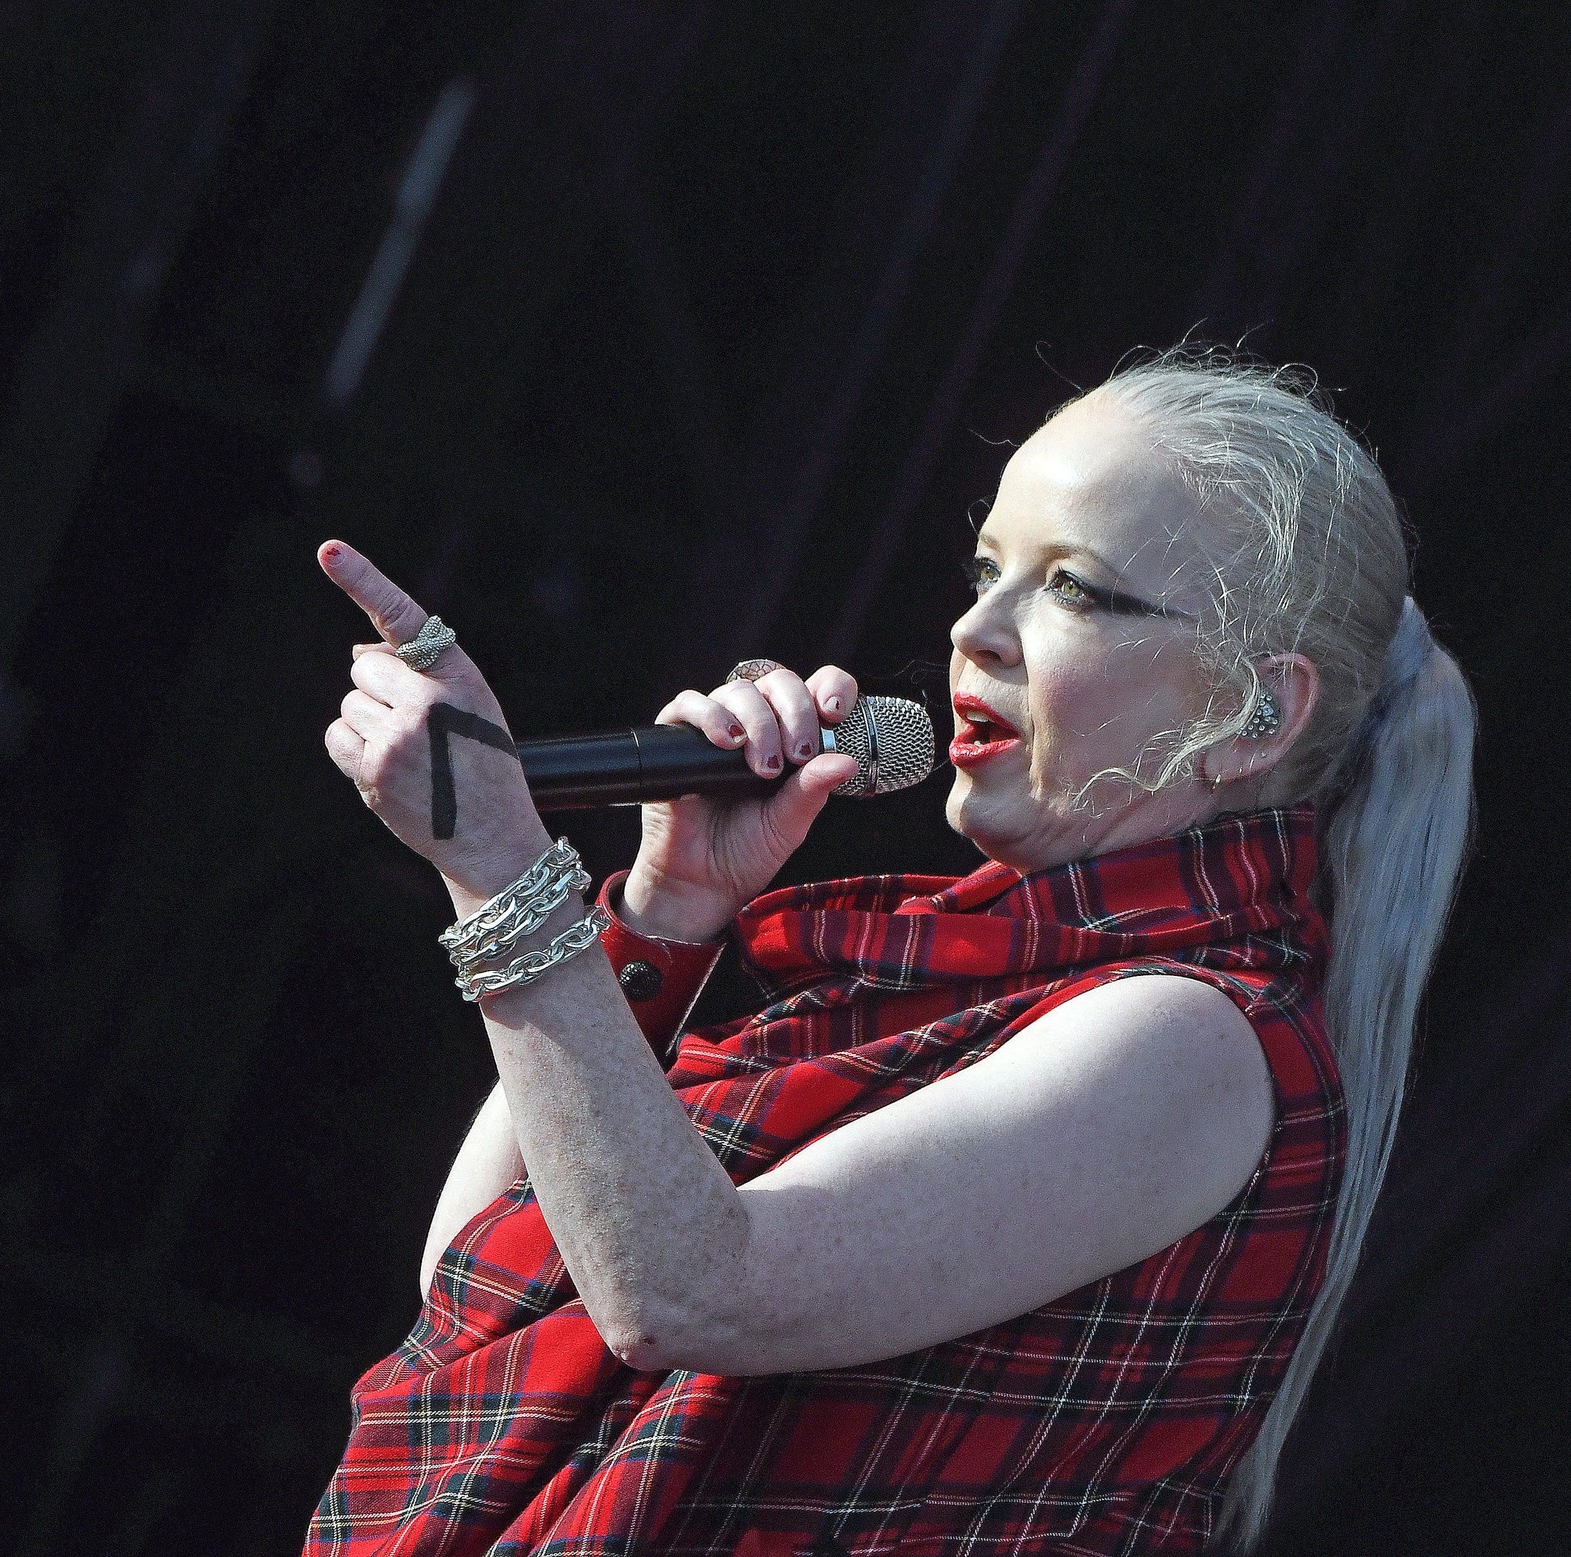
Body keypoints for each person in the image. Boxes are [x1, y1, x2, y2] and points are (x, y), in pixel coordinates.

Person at [301, 349, 1475, 1556]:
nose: (977, 631)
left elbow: (685, 1293)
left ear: (1255, 715)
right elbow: (491, 1288)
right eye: (985, 570)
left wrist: (500, 872)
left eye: (1072, 589)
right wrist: (665, 910)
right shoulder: (939, 973)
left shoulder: (1192, 1038)